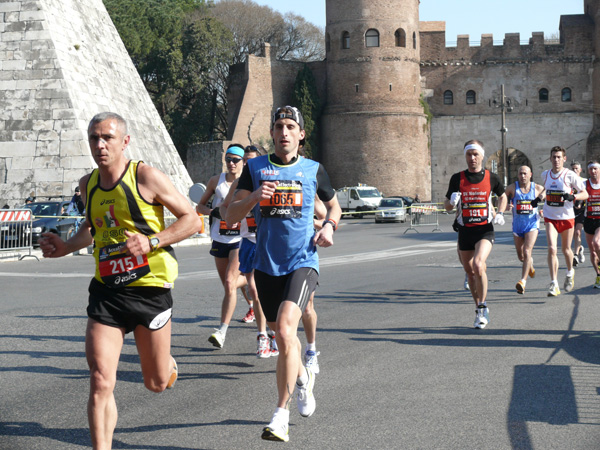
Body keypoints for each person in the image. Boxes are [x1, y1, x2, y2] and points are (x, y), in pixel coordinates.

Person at [38, 112, 200, 450]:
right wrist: (66, 246)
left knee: (156, 383)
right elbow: (93, 227)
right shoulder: (88, 184)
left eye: (107, 138)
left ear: (124, 141)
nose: (100, 145)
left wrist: (152, 241)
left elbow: (192, 220)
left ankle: (166, 364)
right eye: (94, 138)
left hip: (149, 289)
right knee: (100, 380)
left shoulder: (146, 177)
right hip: (107, 291)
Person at [227, 105, 342, 442]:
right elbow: (230, 214)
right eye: (279, 126)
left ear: (301, 134)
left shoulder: (314, 169)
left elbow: (333, 205)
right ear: (273, 133)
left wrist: (330, 227)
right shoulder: (254, 169)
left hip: (302, 261)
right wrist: (251, 200)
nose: (285, 132)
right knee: (282, 337)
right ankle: (303, 376)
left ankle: (280, 415)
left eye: (291, 126)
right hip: (266, 264)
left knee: (288, 330)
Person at [220, 144, 279, 358]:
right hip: (249, 241)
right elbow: (225, 207)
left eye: (251, 160)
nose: (247, 164)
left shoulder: (275, 180)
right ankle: (263, 336)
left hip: (270, 241)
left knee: (272, 292)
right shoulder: (239, 182)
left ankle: (274, 334)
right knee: (255, 289)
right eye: (246, 160)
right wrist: (232, 218)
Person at [444, 140, 507, 329]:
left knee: (479, 265)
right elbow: (446, 206)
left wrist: (501, 212)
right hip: (465, 231)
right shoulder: (457, 178)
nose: (472, 158)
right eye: (469, 154)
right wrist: (452, 202)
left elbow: (502, 195)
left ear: (482, 155)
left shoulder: (491, 177)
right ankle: (478, 307)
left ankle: (482, 306)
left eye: (475, 154)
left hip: (484, 229)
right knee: (470, 273)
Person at [196, 144, 248, 349]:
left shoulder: (247, 183)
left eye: (236, 159)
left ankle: (221, 332)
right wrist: (213, 212)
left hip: (239, 239)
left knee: (229, 282)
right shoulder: (215, 181)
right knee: (229, 285)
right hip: (219, 238)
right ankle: (250, 282)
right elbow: (199, 206)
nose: (231, 163)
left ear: (243, 161)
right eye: (228, 159)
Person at [541, 146, 588, 296]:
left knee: (566, 250)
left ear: (564, 159)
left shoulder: (570, 175)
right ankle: (554, 283)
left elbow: (585, 193)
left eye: (559, 157)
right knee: (552, 249)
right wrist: (539, 198)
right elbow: (545, 189)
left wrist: (573, 197)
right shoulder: (545, 174)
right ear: (550, 159)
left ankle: (569, 272)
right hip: (550, 217)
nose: (556, 160)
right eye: (554, 157)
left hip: (567, 217)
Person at [504, 165, 545, 294]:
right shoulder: (512, 187)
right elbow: (502, 198)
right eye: (521, 174)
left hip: (532, 224)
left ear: (530, 174)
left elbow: (547, 193)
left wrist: (544, 208)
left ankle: (523, 281)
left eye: (525, 174)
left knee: (527, 251)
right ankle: (530, 265)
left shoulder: (537, 188)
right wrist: (506, 205)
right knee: (521, 256)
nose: (523, 176)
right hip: (517, 225)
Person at [583, 160, 600, 288]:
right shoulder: (584, 184)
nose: (593, 171)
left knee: (596, 243)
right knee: (592, 252)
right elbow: (578, 195)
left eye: (595, 169)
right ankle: (598, 275)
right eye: (591, 169)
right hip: (588, 220)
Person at [570, 161, 586, 266]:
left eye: (577, 168)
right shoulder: (568, 182)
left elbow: (587, 195)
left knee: (578, 232)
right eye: (573, 169)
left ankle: (575, 255)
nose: (575, 171)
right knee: (571, 234)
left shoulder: (584, 182)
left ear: (580, 170)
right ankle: (579, 248)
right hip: (569, 211)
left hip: (581, 211)